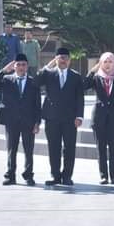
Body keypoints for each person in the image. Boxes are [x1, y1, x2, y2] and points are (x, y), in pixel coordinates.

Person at [0, 54, 41, 186]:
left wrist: (37, 122)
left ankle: (28, 175)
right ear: (14, 66)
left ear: (27, 66)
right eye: (18, 65)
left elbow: (37, 104)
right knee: (11, 149)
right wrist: (3, 71)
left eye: (24, 65)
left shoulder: (33, 82)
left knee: (29, 150)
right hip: (11, 120)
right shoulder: (7, 80)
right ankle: (10, 175)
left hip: (28, 121)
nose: (21, 67)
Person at [37, 48, 85, 186]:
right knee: (53, 147)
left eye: (65, 58)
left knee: (69, 148)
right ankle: (55, 176)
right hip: (52, 117)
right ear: (56, 59)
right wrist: (48, 66)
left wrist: (79, 116)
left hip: (70, 119)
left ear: (69, 60)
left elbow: (79, 98)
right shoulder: (48, 74)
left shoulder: (75, 76)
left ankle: (67, 176)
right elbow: (36, 81)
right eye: (60, 58)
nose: (63, 60)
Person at [84, 52, 114, 185]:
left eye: (110, 62)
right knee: (101, 148)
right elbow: (84, 85)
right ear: (101, 64)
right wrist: (93, 70)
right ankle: (104, 176)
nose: (108, 65)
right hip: (99, 117)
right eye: (105, 62)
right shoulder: (96, 78)